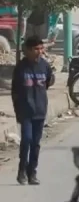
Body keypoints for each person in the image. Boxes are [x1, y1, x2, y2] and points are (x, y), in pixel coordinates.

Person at [11, 36, 54, 185]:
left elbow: (48, 82)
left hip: (40, 110)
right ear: (28, 51)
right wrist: (18, 111)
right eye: (36, 49)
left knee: (36, 143)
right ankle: (21, 171)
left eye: (41, 48)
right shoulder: (21, 67)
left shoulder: (45, 66)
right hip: (25, 111)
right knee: (27, 140)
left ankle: (32, 173)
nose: (40, 52)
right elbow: (15, 91)